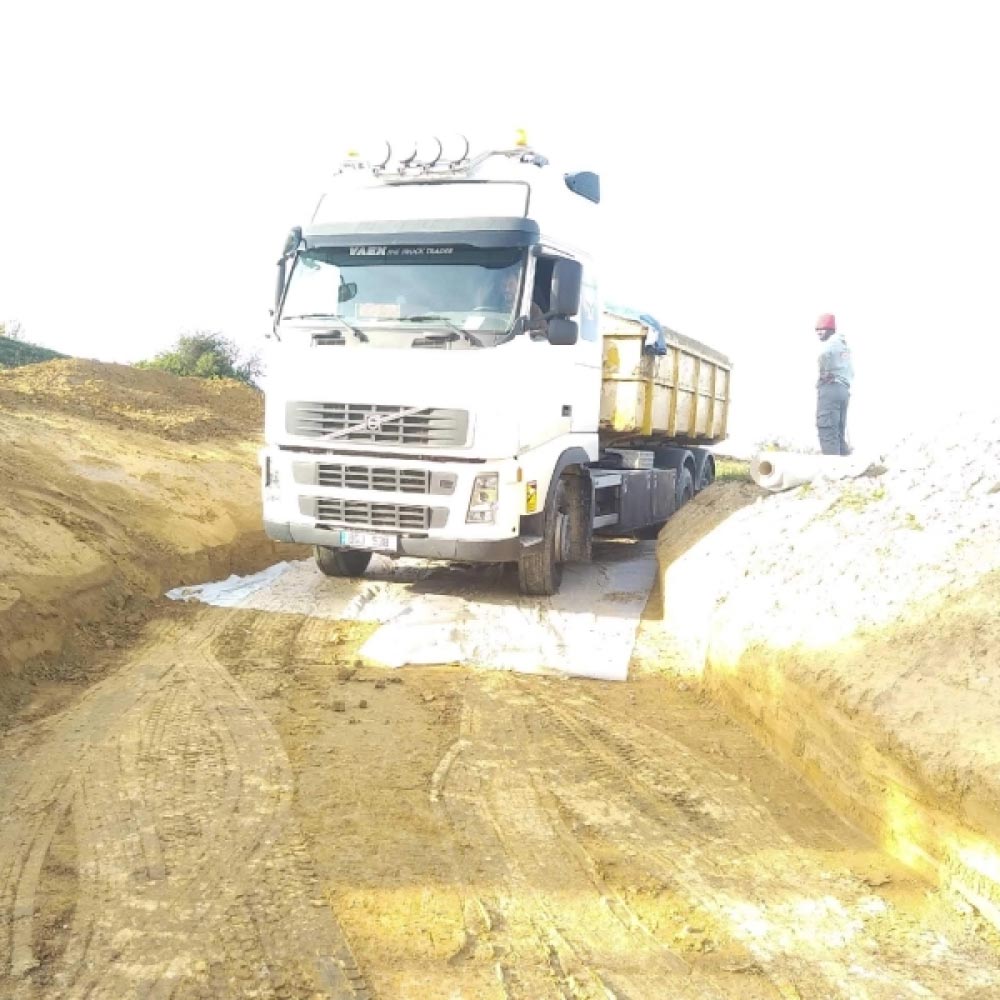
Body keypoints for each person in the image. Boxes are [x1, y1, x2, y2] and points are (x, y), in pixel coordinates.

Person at [815, 312, 854, 455]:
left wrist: (825, 372)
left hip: (831, 388)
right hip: (843, 389)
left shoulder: (831, 343)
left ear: (830, 329)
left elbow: (823, 355)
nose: (818, 332)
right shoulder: (843, 346)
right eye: (817, 330)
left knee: (827, 430)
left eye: (821, 329)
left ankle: (832, 466)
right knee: (838, 433)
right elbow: (851, 372)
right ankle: (844, 465)